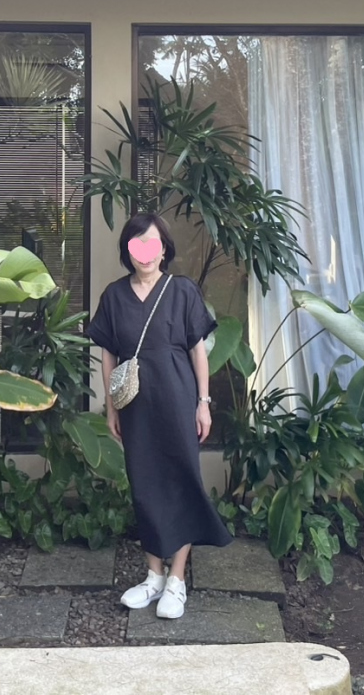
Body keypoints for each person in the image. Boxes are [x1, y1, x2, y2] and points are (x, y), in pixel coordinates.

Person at [86, 212, 233, 619]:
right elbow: (108, 354)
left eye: (152, 244)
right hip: (136, 407)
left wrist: (203, 403)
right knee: (145, 485)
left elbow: (198, 350)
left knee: (182, 481)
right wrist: (112, 406)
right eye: (137, 245)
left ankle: (176, 580)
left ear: (164, 249)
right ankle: (153, 575)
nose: (145, 253)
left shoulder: (182, 291)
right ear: (127, 251)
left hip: (179, 401)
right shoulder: (114, 296)